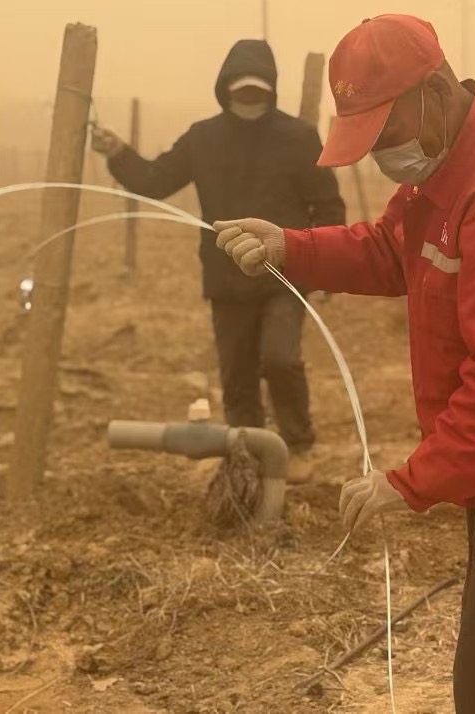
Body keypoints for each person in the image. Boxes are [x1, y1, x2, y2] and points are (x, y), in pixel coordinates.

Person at [214, 15, 475, 713]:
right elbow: (395, 249)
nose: (382, 155)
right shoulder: (451, 156)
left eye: (385, 133)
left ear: (434, 92)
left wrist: (412, 483)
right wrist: (292, 247)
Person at [91, 39, 346, 480]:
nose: (248, 99)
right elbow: (154, 180)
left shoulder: (299, 138)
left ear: (271, 90)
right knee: (237, 374)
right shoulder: (203, 138)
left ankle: (298, 445)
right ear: (225, 89)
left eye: (257, 91)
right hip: (225, 277)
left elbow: (327, 205)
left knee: (280, 358)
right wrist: (118, 153)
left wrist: (325, 267)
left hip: (285, 274)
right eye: (240, 90)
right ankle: (247, 454)